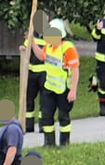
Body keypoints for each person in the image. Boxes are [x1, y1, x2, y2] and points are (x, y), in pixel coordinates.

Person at [29, 19, 80, 147]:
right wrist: (32, 42)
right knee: (46, 115)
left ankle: (64, 143)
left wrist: (73, 90)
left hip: (64, 88)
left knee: (63, 116)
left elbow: (75, 69)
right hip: (49, 87)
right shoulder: (49, 46)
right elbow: (41, 56)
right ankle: (49, 143)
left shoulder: (68, 48)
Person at [22, 13, 49, 133]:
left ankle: (43, 124)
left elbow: (44, 54)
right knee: (29, 99)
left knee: (44, 100)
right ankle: (28, 124)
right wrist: (24, 48)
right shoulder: (32, 34)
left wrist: (33, 42)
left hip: (45, 72)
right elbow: (26, 47)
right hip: (31, 72)